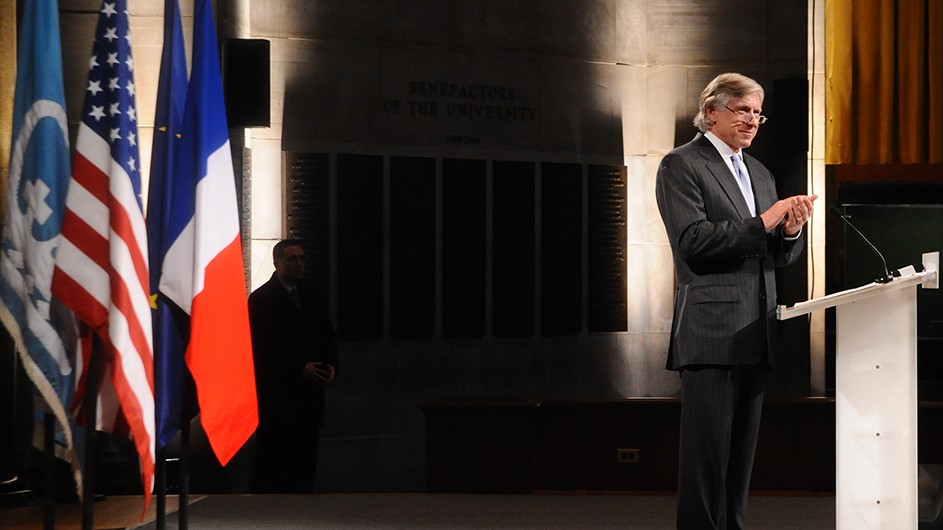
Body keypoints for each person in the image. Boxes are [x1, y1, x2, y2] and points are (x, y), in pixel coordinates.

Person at [655, 72, 817, 529]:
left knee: (740, 463)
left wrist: (790, 231)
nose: (751, 121)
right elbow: (693, 242)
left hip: (757, 328)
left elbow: (774, 254)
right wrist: (766, 220)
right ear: (711, 111)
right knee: (706, 462)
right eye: (741, 110)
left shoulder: (760, 172)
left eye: (757, 113)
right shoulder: (681, 164)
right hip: (710, 333)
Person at [249, 239, 338, 493]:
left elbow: (327, 338)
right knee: (275, 469)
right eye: (292, 259)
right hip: (278, 399)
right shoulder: (261, 300)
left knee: (305, 467)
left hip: (308, 399)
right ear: (277, 263)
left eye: (302, 259)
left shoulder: (312, 297)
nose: (299, 264)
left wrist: (331, 366)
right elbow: (263, 349)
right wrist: (299, 368)